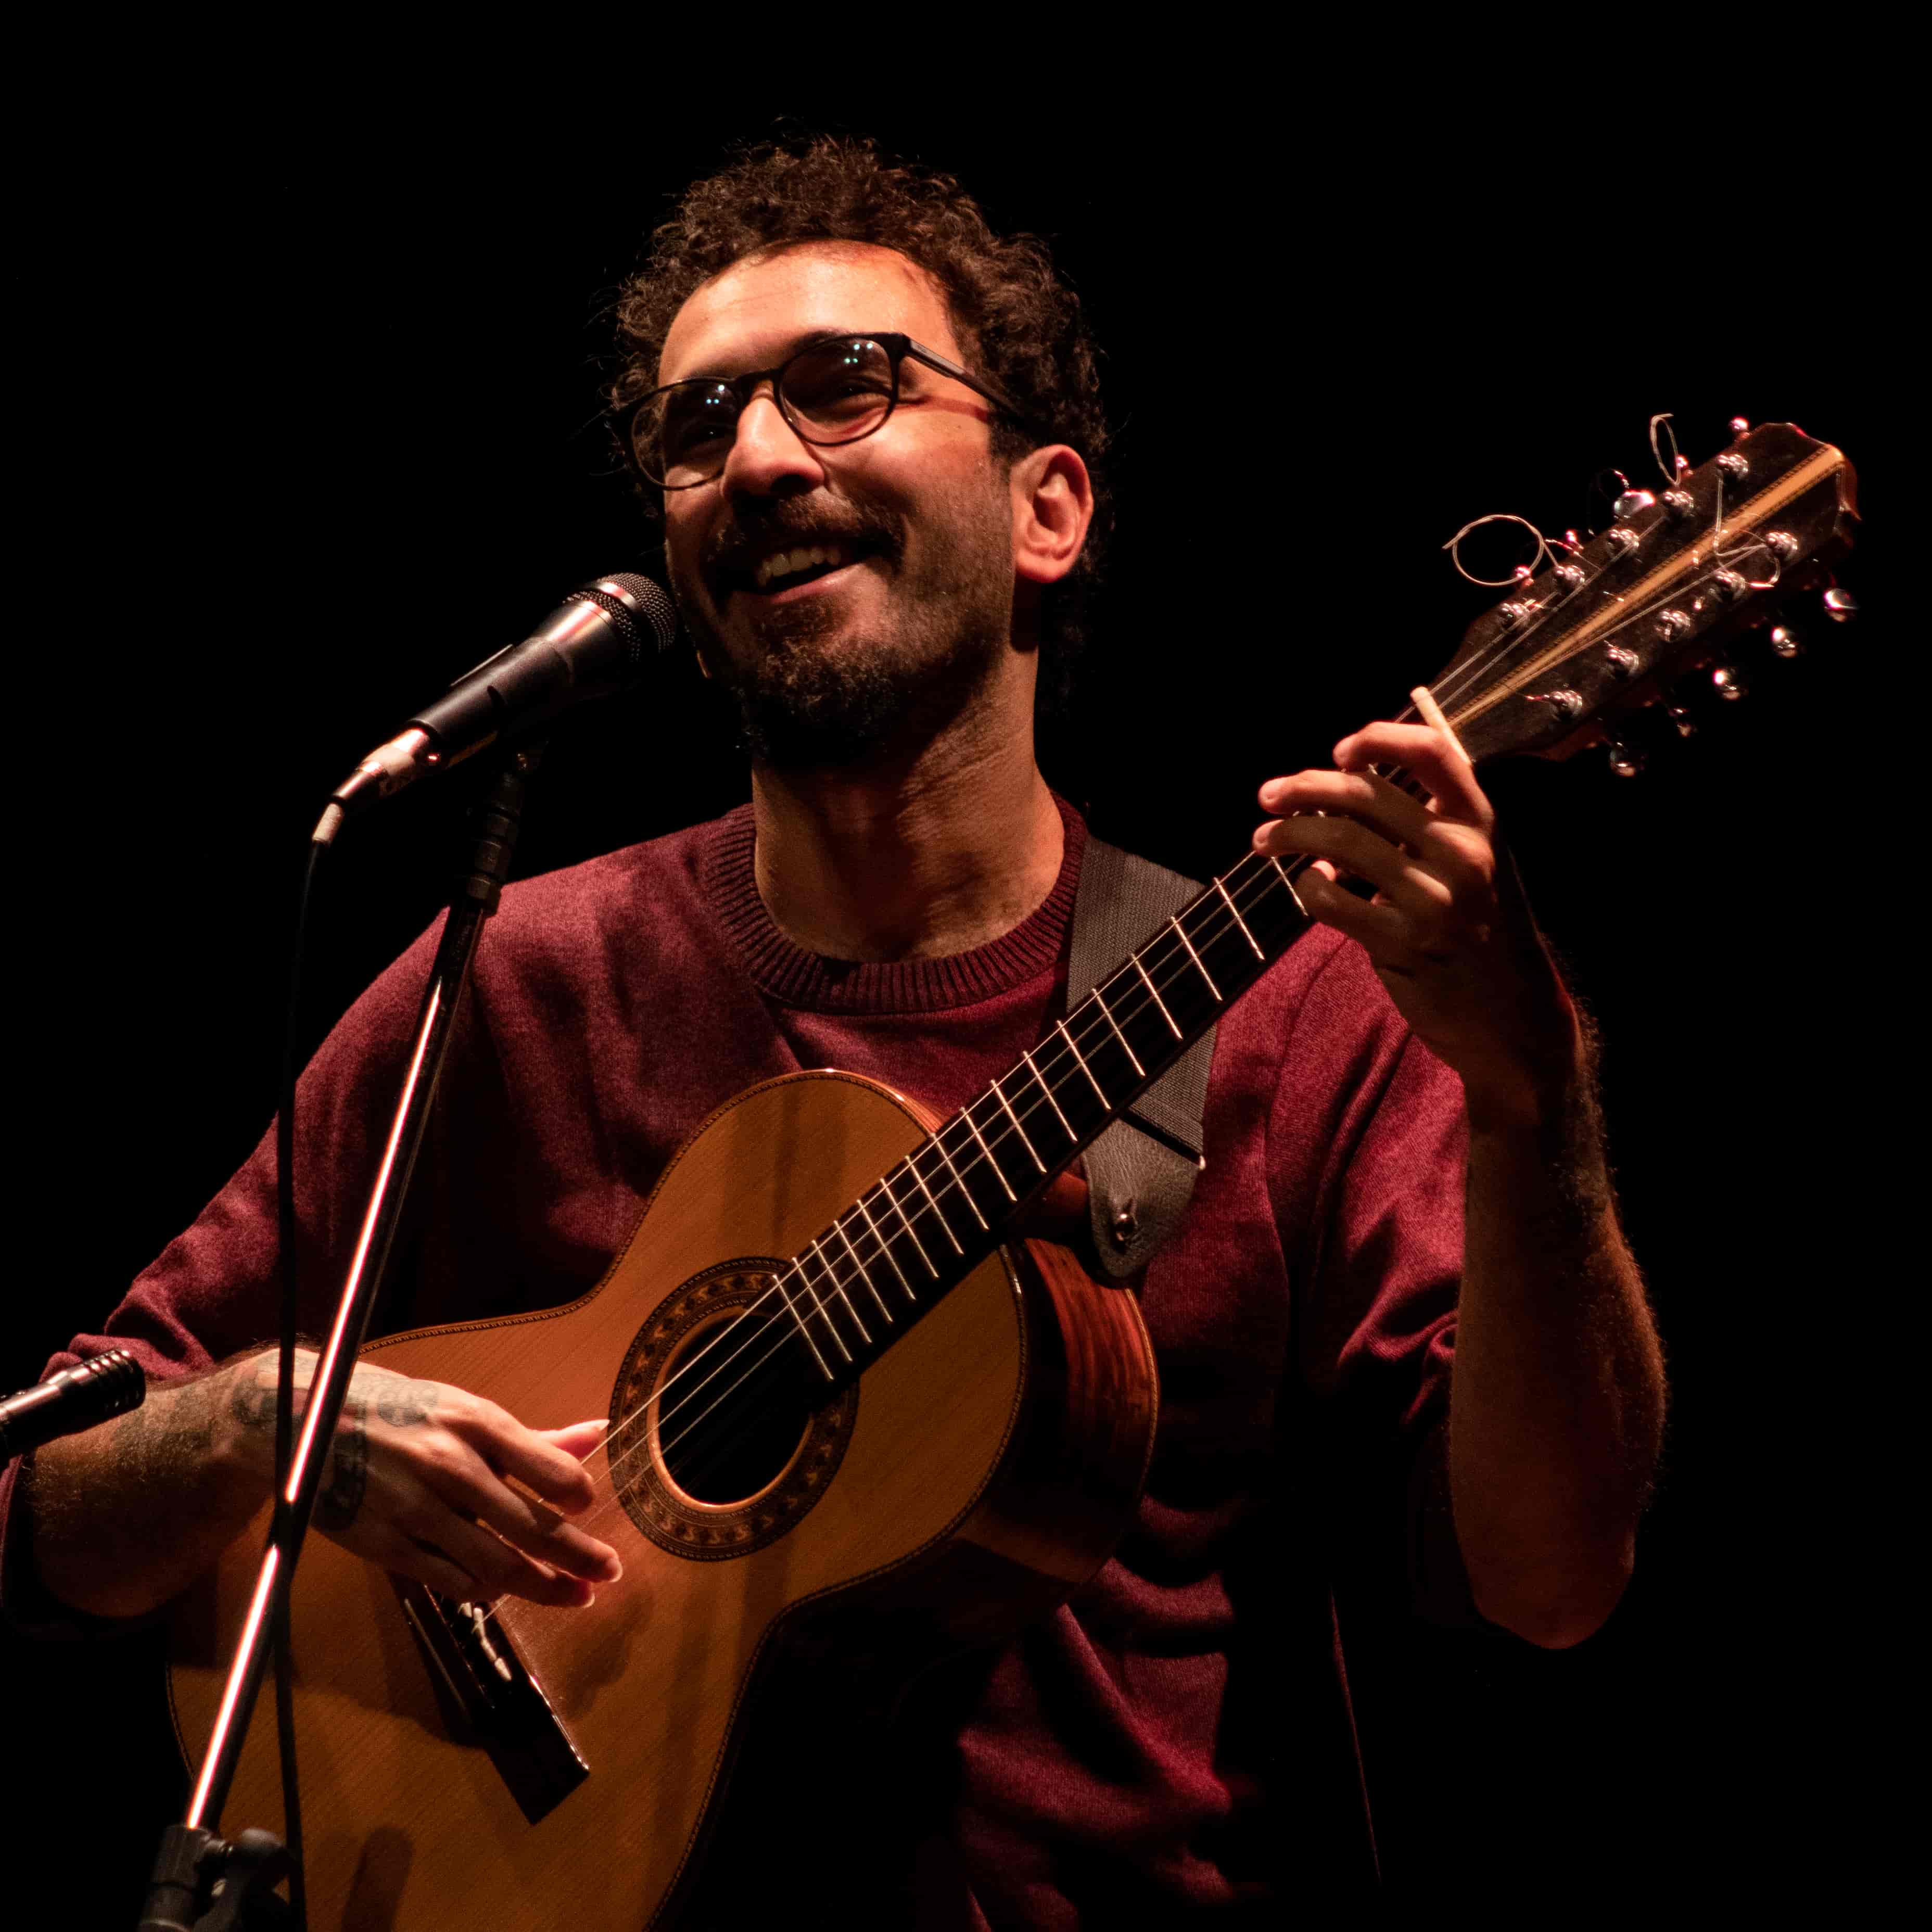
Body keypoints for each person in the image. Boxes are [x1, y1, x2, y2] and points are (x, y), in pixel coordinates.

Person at [0, 137, 1665, 1920]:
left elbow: (1552, 1579)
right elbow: (37, 1519)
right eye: (697, 426)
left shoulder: (1302, 1000)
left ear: (1051, 510)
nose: (761, 460)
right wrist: (263, 1426)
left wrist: (1527, 1093)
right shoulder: (515, 985)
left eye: (845, 387)